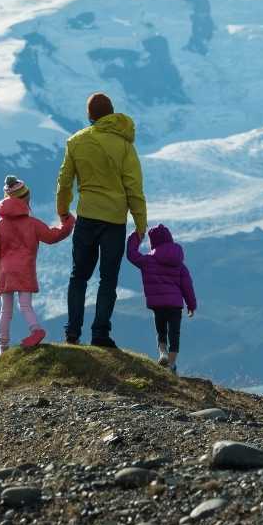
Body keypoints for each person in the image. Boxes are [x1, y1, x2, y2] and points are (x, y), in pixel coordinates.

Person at [56, 92, 148, 348]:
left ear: (90, 115)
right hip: (114, 222)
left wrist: (63, 211)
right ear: (112, 113)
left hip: (86, 217)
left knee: (79, 276)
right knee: (108, 280)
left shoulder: (76, 142)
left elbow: (65, 182)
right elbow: (134, 188)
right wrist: (141, 225)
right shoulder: (124, 145)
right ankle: (100, 334)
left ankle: (72, 332)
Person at [0, 175, 74, 354]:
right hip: (25, 270)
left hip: (5, 272)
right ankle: (36, 329)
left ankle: (3, 348)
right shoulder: (32, 223)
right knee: (26, 305)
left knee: (5, 310)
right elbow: (52, 236)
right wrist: (68, 223)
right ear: (26, 199)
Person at [126, 224, 197, 373]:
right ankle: (171, 364)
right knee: (174, 334)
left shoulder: (148, 260)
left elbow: (131, 254)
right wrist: (191, 304)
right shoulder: (179, 264)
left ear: (153, 243)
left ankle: (162, 352)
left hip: (158, 304)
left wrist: (137, 235)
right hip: (175, 305)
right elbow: (187, 286)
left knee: (161, 331)